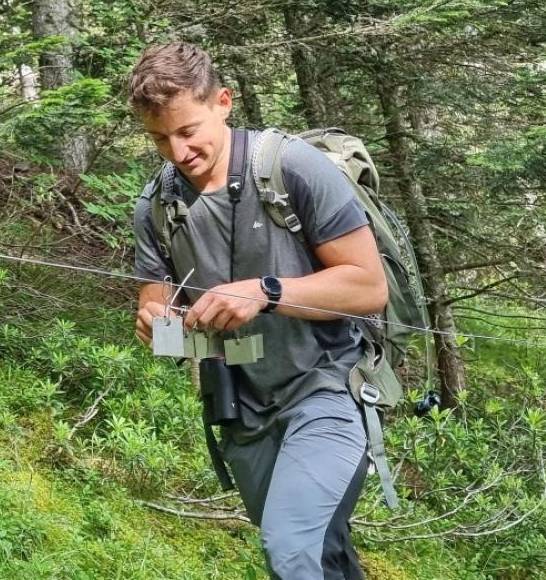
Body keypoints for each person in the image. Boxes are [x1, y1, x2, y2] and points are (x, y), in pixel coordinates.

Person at [128, 43, 389, 580]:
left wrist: (266, 291)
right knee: (321, 554)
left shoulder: (292, 168)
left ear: (223, 102)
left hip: (328, 389)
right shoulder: (156, 208)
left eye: (188, 130)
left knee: (292, 548)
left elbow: (368, 288)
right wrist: (158, 326)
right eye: (159, 138)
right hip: (242, 410)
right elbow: (156, 304)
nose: (177, 152)